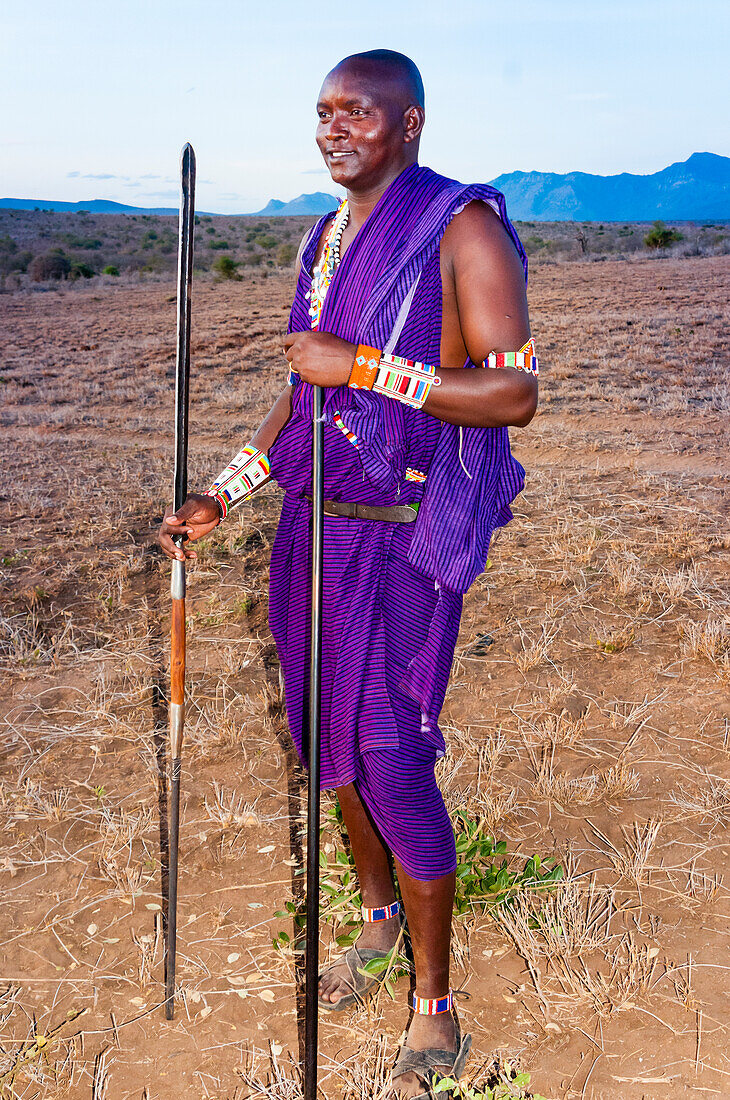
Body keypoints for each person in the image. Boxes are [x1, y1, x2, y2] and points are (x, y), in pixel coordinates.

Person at [159, 48, 537, 1099]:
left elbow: (514, 395)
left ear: (407, 122)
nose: (333, 129)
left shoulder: (462, 228)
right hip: (312, 530)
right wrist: (224, 494)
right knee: (326, 736)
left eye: (357, 113)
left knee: (392, 756)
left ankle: (434, 1001)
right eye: (323, 111)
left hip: (404, 541)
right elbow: (302, 394)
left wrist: (367, 365)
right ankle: (373, 918)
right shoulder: (323, 238)